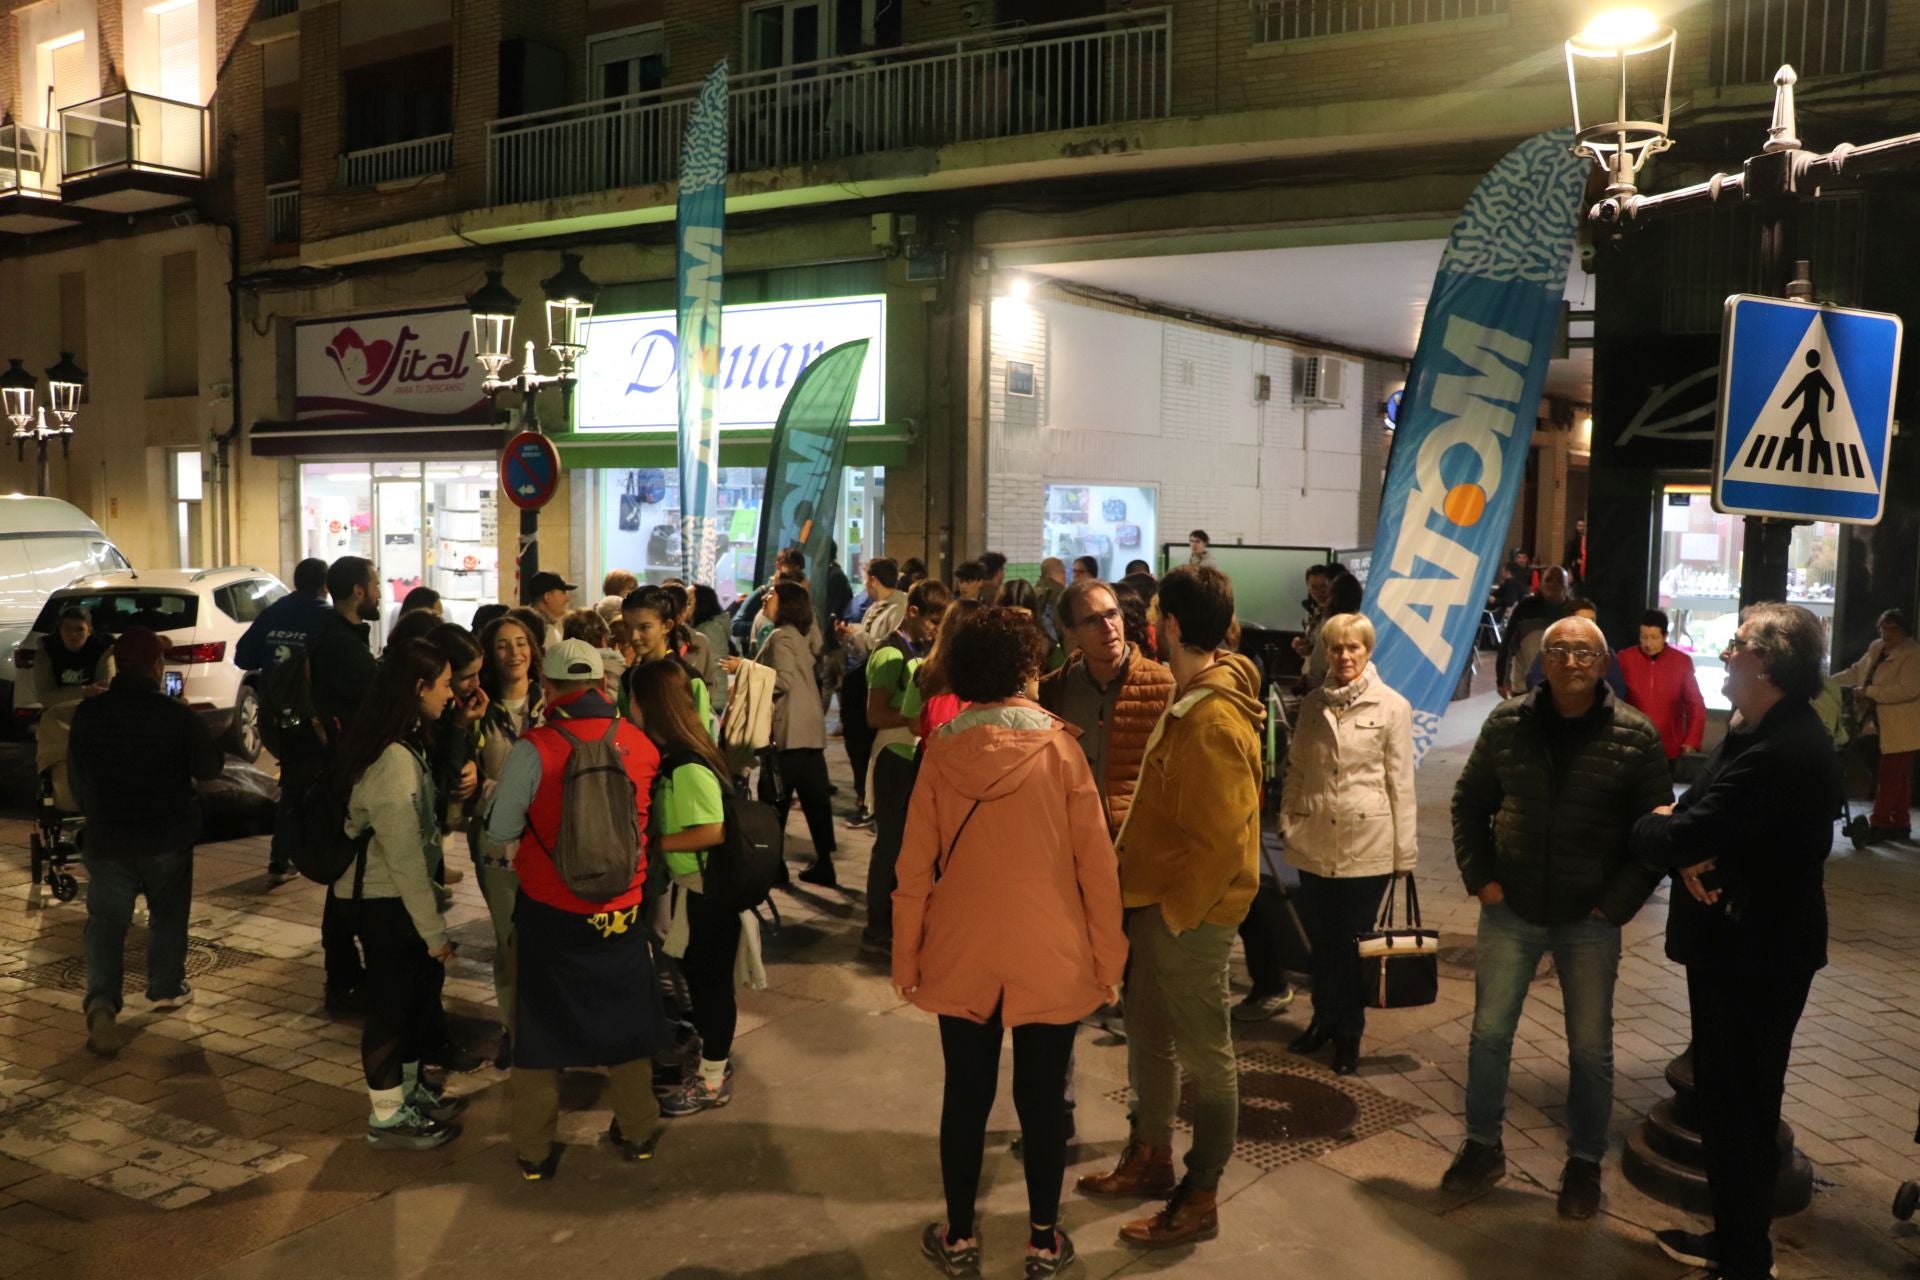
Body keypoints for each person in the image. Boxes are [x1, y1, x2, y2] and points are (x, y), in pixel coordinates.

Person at [892, 607, 1126, 1280]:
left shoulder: (940, 752)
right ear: (1028, 668)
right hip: (1051, 953)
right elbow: (1097, 870)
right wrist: (1109, 960)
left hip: (961, 951)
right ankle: (1044, 1242)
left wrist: (906, 958)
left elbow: (913, 872)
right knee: (1043, 1099)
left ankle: (960, 1236)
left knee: (964, 1095)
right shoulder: (1062, 752)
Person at [1630, 603, 1842, 1280]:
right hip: (1737, 945)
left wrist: (1660, 826)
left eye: (1738, 644)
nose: (1726, 652)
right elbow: (1704, 818)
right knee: (1729, 1106)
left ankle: (1746, 1259)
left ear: (1769, 663)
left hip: (1757, 956)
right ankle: (1735, 1242)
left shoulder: (1784, 748)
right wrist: (1690, 837)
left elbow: (1680, 827)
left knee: (1743, 1110)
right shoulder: (1756, 728)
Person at [1446, 615, 1672, 1218]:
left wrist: (1615, 904)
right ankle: (1481, 1144)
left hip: (1590, 916)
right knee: (1490, 1035)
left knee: (1590, 1049)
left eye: (1584, 651)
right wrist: (1483, 880)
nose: (1571, 660)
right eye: (1558, 651)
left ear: (1602, 664)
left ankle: (1584, 1161)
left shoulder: (1636, 736)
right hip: (1512, 906)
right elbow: (1470, 802)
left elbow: (1654, 835)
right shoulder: (1508, 723)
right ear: (1542, 662)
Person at [1078, 566, 1265, 1250]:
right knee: (1150, 1035)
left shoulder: (1211, 715)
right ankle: (1151, 1154)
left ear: (1175, 627)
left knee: (1206, 1056)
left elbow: (1222, 841)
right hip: (1159, 904)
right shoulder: (1196, 696)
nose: (1149, 625)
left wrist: (1181, 916)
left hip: (1189, 915)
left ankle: (1201, 1191)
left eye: (1156, 615)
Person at [484, 639, 670, 1178]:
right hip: (624, 912)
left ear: (550, 686)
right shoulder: (640, 744)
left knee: (539, 1032)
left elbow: (501, 833)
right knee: (629, 1022)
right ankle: (636, 1131)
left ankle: (535, 1151)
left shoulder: (533, 748)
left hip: (551, 911)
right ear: (602, 686)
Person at [334, 638, 464, 1149]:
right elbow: (405, 854)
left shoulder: (401, 743)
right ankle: (386, 1117)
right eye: (446, 684)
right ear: (418, 688)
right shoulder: (390, 760)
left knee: (410, 1002)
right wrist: (433, 931)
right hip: (383, 901)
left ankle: (408, 1095)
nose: (452, 694)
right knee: (390, 1007)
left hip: (394, 898)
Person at [72, 626, 225, 1058]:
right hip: (166, 835)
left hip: (107, 836)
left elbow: (76, 780)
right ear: (156, 667)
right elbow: (210, 767)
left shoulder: (90, 714)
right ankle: (164, 985)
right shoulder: (173, 715)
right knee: (168, 911)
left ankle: (102, 1002)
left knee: (106, 922)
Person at [1280, 612, 1417, 1073]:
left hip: (1367, 845)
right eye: (1336, 648)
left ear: (1368, 651)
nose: (1343, 656)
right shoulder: (1314, 704)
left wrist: (1405, 853)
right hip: (1314, 839)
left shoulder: (1393, 707)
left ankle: (1349, 1034)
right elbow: (1297, 769)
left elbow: (1401, 782)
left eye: (1352, 647)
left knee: (1353, 945)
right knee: (1322, 941)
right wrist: (1287, 822)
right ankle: (1322, 1019)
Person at [627, 660, 748, 1117]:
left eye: (634, 699)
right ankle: (710, 1064)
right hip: (695, 888)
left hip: (704, 892)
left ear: (649, 704)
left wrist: (655, 841)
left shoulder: (686, 763)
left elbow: (711, 830)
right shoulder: (681, 753)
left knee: (712, 989)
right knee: (704, 986)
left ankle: (712, 1082)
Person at [1037, 580, 1175, 838]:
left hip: (1139, 843)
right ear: (1071, 632)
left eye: (1112, 614)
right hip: (1071, 840)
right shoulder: (1052, 691)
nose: (1108, 627)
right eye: (1091, 620)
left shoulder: (1165, 686)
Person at [859, 577, 951, 953]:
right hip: (893, 757)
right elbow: (875, 714)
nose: (934, 629)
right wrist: (918, 714)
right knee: (891, 845)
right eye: (931, 621)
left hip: (914, 755)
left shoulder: (920, 649)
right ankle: (876, 926)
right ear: (912, 612)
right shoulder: (890, 654)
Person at [308, 556, 383, 1007]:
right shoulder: (343, 645)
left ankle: (343, 968)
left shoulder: (338, 637)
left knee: (347, 873)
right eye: (373, 584)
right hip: (346, 771)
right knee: (347, 873)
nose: (378, 591)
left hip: (340, 767)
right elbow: (369, 705)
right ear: (357, 591)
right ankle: (343, 969)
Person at [469, 613, 544, 1068]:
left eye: (521, 643)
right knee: (508, 937)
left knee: (547, 935)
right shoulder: (478, 708)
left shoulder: (552, 702)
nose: (514, 652)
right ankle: (512, 1029)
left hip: (548, 838)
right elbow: (462, 773)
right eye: (502, 645)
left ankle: (549, 1025)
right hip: (496, 841)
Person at [726, 581, 838, 886]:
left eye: (772, 595)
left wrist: (744, 667)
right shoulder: (796, 635)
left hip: (788, 732)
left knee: (773, 800)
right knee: (816, 802)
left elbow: (782, 680)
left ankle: (774, 866)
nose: (765, 598)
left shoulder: (779, 637)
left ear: (786, 603)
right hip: (809, 731)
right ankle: (824, 865)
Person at [1833, 607, 1920, 842]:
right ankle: (1900, 822)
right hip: (1880, 721)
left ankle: (1880, 823)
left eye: (1893, 628)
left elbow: (1909, 690)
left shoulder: (1912, 654)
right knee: (1898, 776)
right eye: (1883, 627)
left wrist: (1869, 691)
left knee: (1891, 774)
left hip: (1903, 724)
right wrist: (1829, 683)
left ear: (1904, 630)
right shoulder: (1876, 648)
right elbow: (1857, 672)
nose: (1887, 633)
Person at [837, 557, 907, 829]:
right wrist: (849, 637)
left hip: (883, 686)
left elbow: (887, 647)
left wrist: (856, 637)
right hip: (864, 680)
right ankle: (865, 800)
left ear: (874, 580)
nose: (865, 585)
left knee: (870, 746)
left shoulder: (898, 608)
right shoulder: (875, 608)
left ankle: (872, 806)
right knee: (857, 744)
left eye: (866, 579)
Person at [1616, 608, 1708, 770]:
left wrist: (1691, 740)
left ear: (1665, 636)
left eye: (1654, 637)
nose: (1648, 643)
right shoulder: (1625, 658)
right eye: (1644, 637)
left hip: (1668, 746)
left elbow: (1696, 705)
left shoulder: (1681, 662)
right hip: (1632, 742)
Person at [624, 586, 715, 734]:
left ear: (667, 626)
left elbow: (701, 739)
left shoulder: (689, 679)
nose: (633, 636)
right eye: (627, 626)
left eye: (644, 627)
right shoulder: (628, 679)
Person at [235, 556, 330, 677]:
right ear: (325, 586)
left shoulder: (271, 613)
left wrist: (271, 661)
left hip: (273, 693)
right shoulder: (330, 619)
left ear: (296, 581)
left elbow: (243, 658)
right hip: (315, 694)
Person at [1496, 565, 1572, 698]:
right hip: (1525, 687)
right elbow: (1507, 645)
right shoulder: (1525, 608)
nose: (1553, 584)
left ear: (1567, 586)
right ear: (1541, 583)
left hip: (1563, 688)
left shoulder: (1574, 612)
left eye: (1559, 580)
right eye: (1548, 579)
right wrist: (1502, 679)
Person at [25, 604, 114, 710]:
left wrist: (63, 694)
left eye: (80, 629)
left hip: (92, 712)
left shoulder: (102, 650)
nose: (73, 634)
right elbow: (45, 697)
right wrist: (85, 691)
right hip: (57, 712)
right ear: (60, 630)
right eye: (67, 628)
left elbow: (104, 691)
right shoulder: (47, 650)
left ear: (89, 631)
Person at [1302, 570, 1364, 686]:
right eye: (1314, 587)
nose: (1319, 592)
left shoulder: (1331, 624)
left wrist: (1309, 681)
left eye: (1323, 587)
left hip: (1328, 686)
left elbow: (1318, 662)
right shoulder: (1364, 624)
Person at [689, 584, 733, 717]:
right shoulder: (705, 627)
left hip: (712, 700)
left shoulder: (709, 629)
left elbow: (712, 666)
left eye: (689, 602)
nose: (684, 607)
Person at [528, 570, 577, 645]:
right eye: (563, 592)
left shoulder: (551, 625)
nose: (568, 598)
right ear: (547, 597)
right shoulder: (531, 629)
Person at [1563, 518, 1589, 588]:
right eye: (1580, 526)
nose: (1582, 528)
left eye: (1584, 526)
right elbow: (1567, 558)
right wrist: (1569, 573)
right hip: (1576, 573)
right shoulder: (1572, 542)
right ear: (1576, 527)